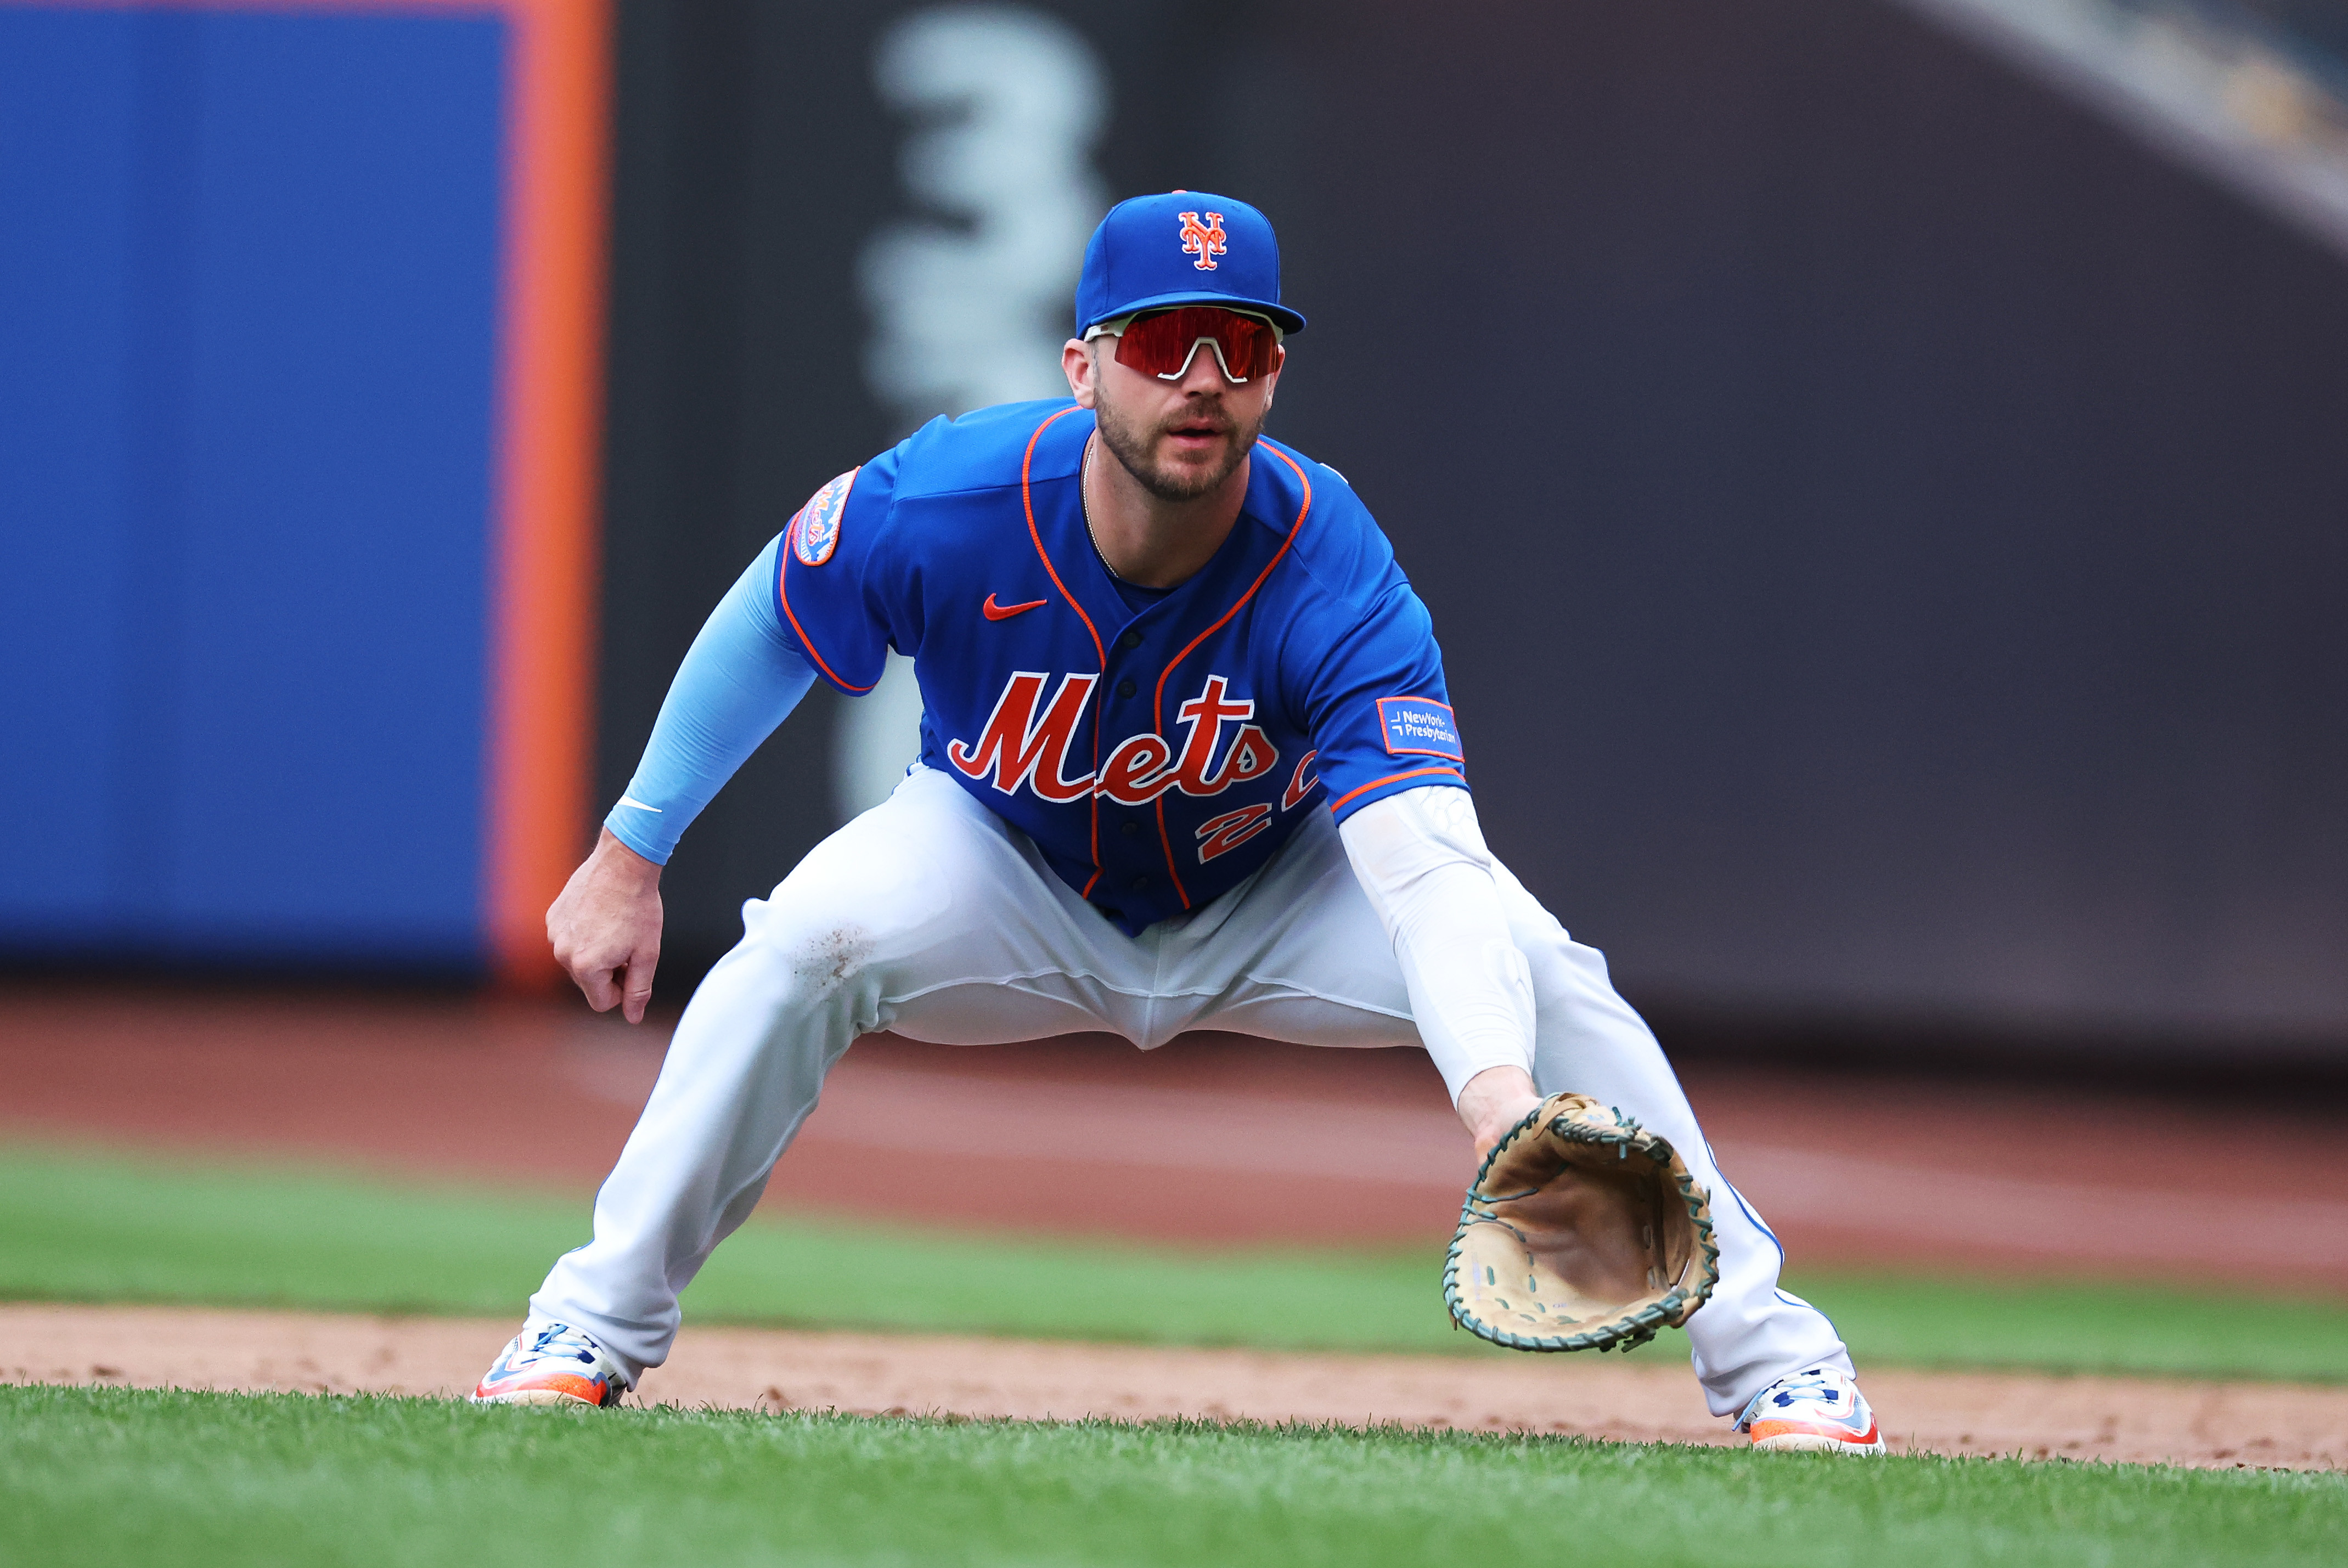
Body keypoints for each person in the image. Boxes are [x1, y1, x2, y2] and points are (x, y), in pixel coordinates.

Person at [470, 191, 1883, 1453]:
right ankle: (587, 1327)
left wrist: (1501, 1110)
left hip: (1277, 888)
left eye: (1242, 345)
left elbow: (1426, 863)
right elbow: (776, 610)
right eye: (1160, 344)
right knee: (793, 953)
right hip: (1001, 858)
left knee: (1550, 975)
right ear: (1081, 365)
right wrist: (627, 853)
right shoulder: (953, 500)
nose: (1201, 383)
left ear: (1277, 372)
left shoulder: (1333, 561)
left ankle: (1781, 1368)